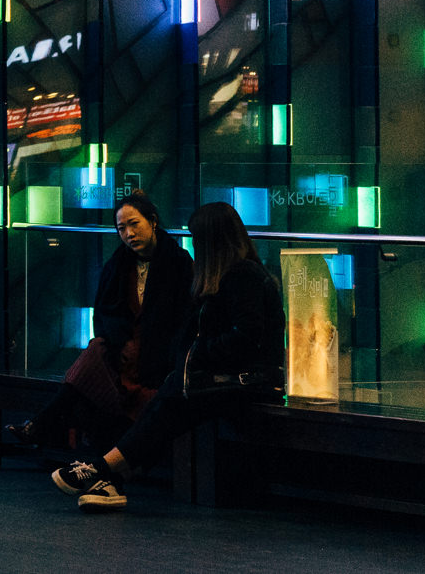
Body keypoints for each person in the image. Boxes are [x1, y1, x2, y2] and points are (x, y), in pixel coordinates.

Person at [50, 200, 285, 511]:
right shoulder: (221, 277)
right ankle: (106, 477)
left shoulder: (243, 275)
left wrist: (198, 353)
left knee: (169, 401)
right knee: (166, 400)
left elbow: (247, 336)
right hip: (228, 380)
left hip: (248, 383)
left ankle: (102, 471)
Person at [7, 191, 193, 454]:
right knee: (96, 350)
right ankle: (48, 431)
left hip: (157, 359)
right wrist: (122, 343)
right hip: (120, 352)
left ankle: (41, 425)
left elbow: (182, 321)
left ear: (153, 221)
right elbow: (104, 315)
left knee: (91, 362)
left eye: (134, 224)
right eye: (121, 228)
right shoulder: (117, 264)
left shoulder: (179, 263)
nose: (129, 233)